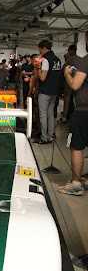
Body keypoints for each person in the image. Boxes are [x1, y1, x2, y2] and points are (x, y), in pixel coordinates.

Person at [57, 31, 88, 196]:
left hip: (83, 111)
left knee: (76, 146)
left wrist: (68, 75)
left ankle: (76, 184)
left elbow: (75, 85)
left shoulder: (85, 61)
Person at [36, 39, 62, 144]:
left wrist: (38, 68)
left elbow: (42, 77)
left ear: (44, 48)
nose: (40, 52)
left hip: (45, 90)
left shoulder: (45, 60)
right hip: (55, 90)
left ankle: (44, 136)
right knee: (51, 113)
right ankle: (50, 135)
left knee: (43, 114)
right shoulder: (57, 60)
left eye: (40, 50)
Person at [59, 44, 80, 123]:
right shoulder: (80, 59)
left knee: (66, 99)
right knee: (77, 99)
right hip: (78, 80)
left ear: (71, 50)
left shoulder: (70, 59)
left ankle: (64, 117)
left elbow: (64, 69)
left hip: (69, 80)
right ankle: (78, 117)